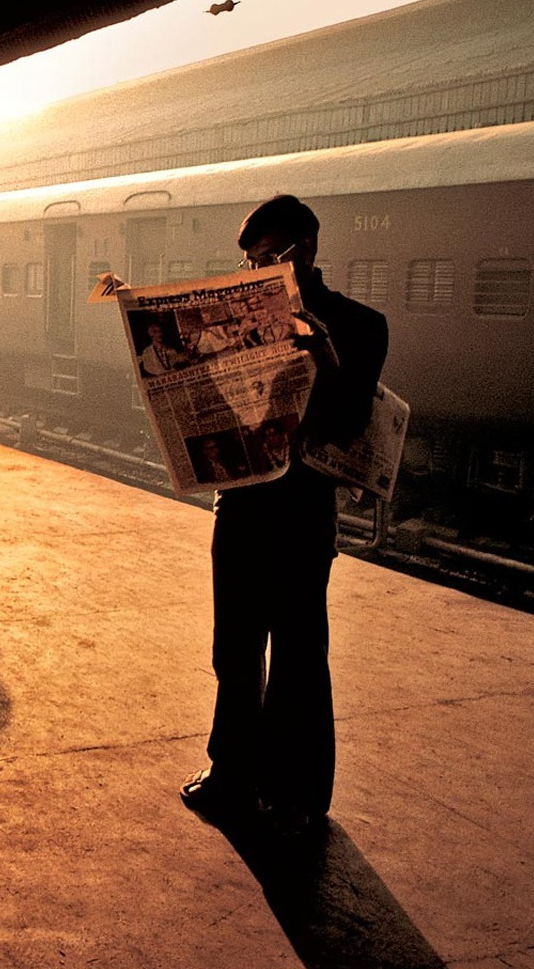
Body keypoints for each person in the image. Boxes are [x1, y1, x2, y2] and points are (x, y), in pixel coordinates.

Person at [179, 194, 389, 835]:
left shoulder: (358, 325)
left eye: (269, 258)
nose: (255, 272)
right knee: (234, 648)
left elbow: (352, 422)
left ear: (307, 252)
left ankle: (299, 790)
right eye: (249, 261)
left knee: (299, 651)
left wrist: (319, 352)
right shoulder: (234, 319)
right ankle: (231, 772)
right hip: (240, 504)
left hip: (301, 512)